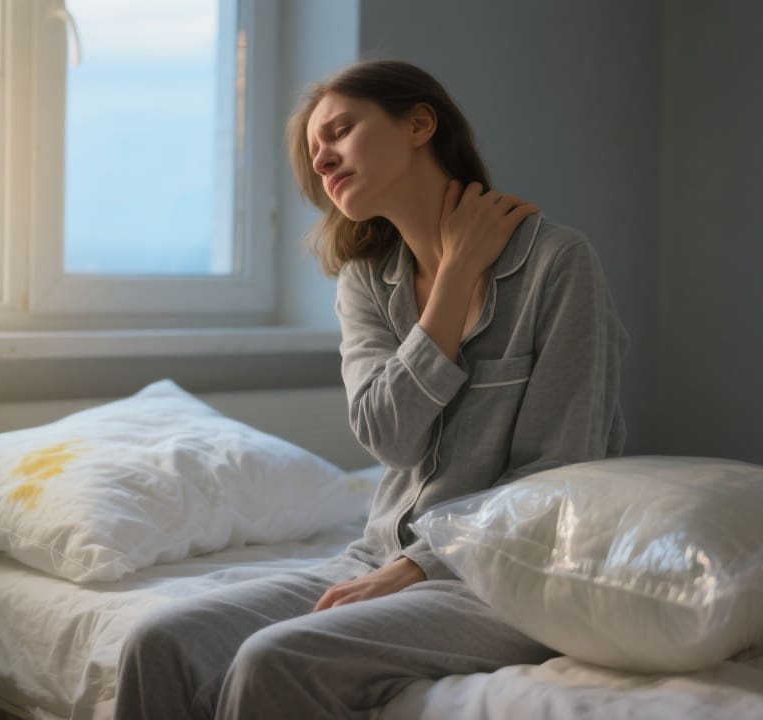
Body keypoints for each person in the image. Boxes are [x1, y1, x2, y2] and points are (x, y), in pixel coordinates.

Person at [113, 59, 629, 720]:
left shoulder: (557, 264)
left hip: (510, 576)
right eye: (313, 154)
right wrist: (452, 283)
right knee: (157, 641)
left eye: (340, 131)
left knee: (275, 660)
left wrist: (420, 566)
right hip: (375, 554)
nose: (322, 160)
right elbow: (389, 435)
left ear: (419, 123)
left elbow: (560, 470)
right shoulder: (364, 281)